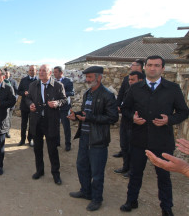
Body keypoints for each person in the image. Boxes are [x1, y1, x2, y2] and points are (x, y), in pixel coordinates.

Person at [119, 55, 189, 215]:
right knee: (135, 173)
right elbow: (125, 109)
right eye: (150, 65)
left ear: (162, 69)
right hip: (139, 139)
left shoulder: (173, 88)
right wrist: (133, 118)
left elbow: (184, 112)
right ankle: (131, 201)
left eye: (157, 65)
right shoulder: (135, 88)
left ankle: (166, 208)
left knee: (164, 176)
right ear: (145, 68)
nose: (153, 68)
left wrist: (169, 120)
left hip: (162, 141)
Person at [68, 66, 118, 211]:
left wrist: (89, 117)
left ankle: (97, 199)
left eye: (90, 77)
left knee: (96, 172)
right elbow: (85, 112)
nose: (87, 80)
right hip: (84, 137)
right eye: (87, 77)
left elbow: (113, 117)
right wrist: (76, 115)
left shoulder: (107, 95)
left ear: (99, 77)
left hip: (98, 140)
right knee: (82, 166)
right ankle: (86, 191)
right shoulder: (87, 93)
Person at [25, 64, 66, 185]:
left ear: (50, 73)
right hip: (36, 121)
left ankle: (56, 174)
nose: (41, 73)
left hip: (51, 121)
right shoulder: (33, 85)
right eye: (40, 71)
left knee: (52, 149)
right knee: (37, 148)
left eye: (44, 71)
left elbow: (64, 100)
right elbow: (27, 99)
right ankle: (39, 171)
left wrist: (57, 103)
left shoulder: (58, 85)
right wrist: (30, 104)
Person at [114, 71, 144, 178]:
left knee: (133, 148)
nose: (130, 82)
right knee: (124, 146)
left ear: (140, 80)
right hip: (126, 122)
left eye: (133, 80)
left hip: (136, 126)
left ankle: (132, 170)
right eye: (129, 80)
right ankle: (125, 166)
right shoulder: (129, 91)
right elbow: (124, 108)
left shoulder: (145, 94)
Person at [53, 66, 74, 151]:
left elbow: (72, 92)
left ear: (61, 73)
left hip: (65, 107)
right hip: (55, 107)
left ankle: (67, 144)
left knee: (66, 127)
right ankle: (57, 142)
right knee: (56, 126)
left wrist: (62, 93)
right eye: (54, 72)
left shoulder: (68, 81)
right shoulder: (53, 82)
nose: (54, 74)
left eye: (56, 72)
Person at [17, 65, 37, 146]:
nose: (32, 71)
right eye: (30, 70)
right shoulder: (23, 80)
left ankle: (30, 139)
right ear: (28, 71)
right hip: (24, 105)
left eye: (33, 70)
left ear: (36, 71)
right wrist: (24, 93)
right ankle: (22, 139)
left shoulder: (38, 81)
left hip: (33, 106)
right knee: (24, 124)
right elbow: (18, 91)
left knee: (32, 124)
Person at [4, 68, 18, 138]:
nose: (6, 74)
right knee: (3, 117)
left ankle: (7, 131)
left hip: (10, 104)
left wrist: (15, 99)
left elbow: (17, 92)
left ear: (9, 74)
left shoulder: (13, 81)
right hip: (3, 104)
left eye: (7, 73)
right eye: (5, 73)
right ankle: (3, 131)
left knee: (9, 118)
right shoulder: (1, 81)